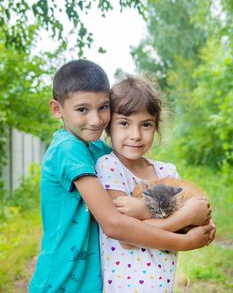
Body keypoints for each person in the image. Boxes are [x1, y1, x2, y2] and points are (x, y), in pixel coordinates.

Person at [29, 61, 214, 293]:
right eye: (82, 109)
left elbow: (136, 169)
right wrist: (186, 240)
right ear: (57, 109)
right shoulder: (68, 149)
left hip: (90, 279)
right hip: (61, 280)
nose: (96, 120)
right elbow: (115, 225)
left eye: (103, 107)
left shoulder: (97, 150)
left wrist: (197, 216)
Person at [96, 75, 216, 293]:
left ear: (156, 127)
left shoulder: (167, 171)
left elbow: (198, 222)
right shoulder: (109, 167)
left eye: (146, 124)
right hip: (124, 287)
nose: (136, 135)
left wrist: (199, 219)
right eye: (124, 123)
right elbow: (127, 238)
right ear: (108, 127)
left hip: (162, 285)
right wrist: (185, 217)